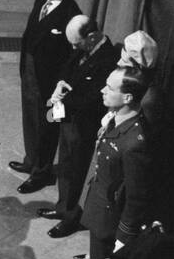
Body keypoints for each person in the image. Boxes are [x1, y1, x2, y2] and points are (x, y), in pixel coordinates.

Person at [38, 15, 118, 239]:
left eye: (77, 43)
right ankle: (63, 205)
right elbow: (69, 66)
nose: (74, 47)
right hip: (69, 118)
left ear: (91, 37)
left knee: (78, 171)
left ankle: (72, 216)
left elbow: (91, 99)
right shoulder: (84, 48)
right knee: (65, 163)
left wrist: (59, 104)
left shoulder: (108, 59)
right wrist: (60, 85)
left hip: (85, 124)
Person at [11, 0, 81, 195]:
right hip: (31, 72)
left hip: (50, 85)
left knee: (47, 128)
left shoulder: (71, 15)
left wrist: (58, 92)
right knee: (30, 118)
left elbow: (72, 58)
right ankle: (31, 160)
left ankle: (41, 173)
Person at [80, 67, 153, 259]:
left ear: (127, 97)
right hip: (99, 204)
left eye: (110, 88)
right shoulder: (116, 118)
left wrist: (124, 236)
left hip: (110, 219)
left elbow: (136, 195)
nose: (103, 90)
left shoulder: (135, 142)